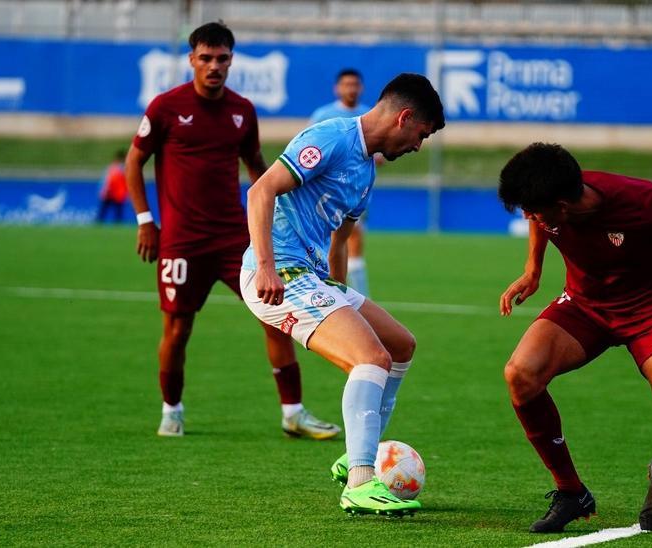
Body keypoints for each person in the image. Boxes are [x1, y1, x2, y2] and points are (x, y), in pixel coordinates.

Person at [125, 21, 339, 440]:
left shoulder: (242, 112)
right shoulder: (166, 108)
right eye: (205, 58)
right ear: (191, 60)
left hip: (233, 240)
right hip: (181, 242)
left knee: (275, 317)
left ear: (231, 61)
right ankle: (172, 410)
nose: (214, 66)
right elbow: (134, 162)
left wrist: (284, 213)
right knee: (178, 328)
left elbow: (258, 170)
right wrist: (145, 221)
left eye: (222, 58)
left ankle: (292, 412)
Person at [241, 73, 444, 516]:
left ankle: (355, 452)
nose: (417, 146)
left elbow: (341, 238)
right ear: (404, 117)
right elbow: (261, 190)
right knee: (371, 358)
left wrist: (340, 293)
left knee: (400, 345)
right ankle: (361, 480)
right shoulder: (331, 137)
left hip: (313, 278)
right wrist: (267, 267)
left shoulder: (366, 171)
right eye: (421, 135)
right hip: (279, 275)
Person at [496, 143, 652, 533]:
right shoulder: (550, 199)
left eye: (533, 210)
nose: (529, 216)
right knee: (520, 374)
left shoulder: (644, 202)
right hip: (584, 307)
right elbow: (539, 218)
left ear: (562, 205)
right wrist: (533, 269)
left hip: (650, 311)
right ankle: (571, 493)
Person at [309, 68, 376, 297]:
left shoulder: (369, 116)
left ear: (361, 88)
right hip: (324, 196)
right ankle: (335, 292)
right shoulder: (323, 116)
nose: (351, 89)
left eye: (355, 84)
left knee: (352, 240)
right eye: (347, 84)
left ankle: (357, 296)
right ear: (337, 88)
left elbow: (380, 156)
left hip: (356, 192)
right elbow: (309, 152)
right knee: (330, 242)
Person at [96, 149, 128, 224]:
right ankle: (98, 224)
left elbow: (106, 180)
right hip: (112, 193)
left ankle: (99, 224)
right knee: (106, 212)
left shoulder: (114, 167)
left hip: (116, 194)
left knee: (114, 213)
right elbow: (107, 181)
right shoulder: (118, 168)